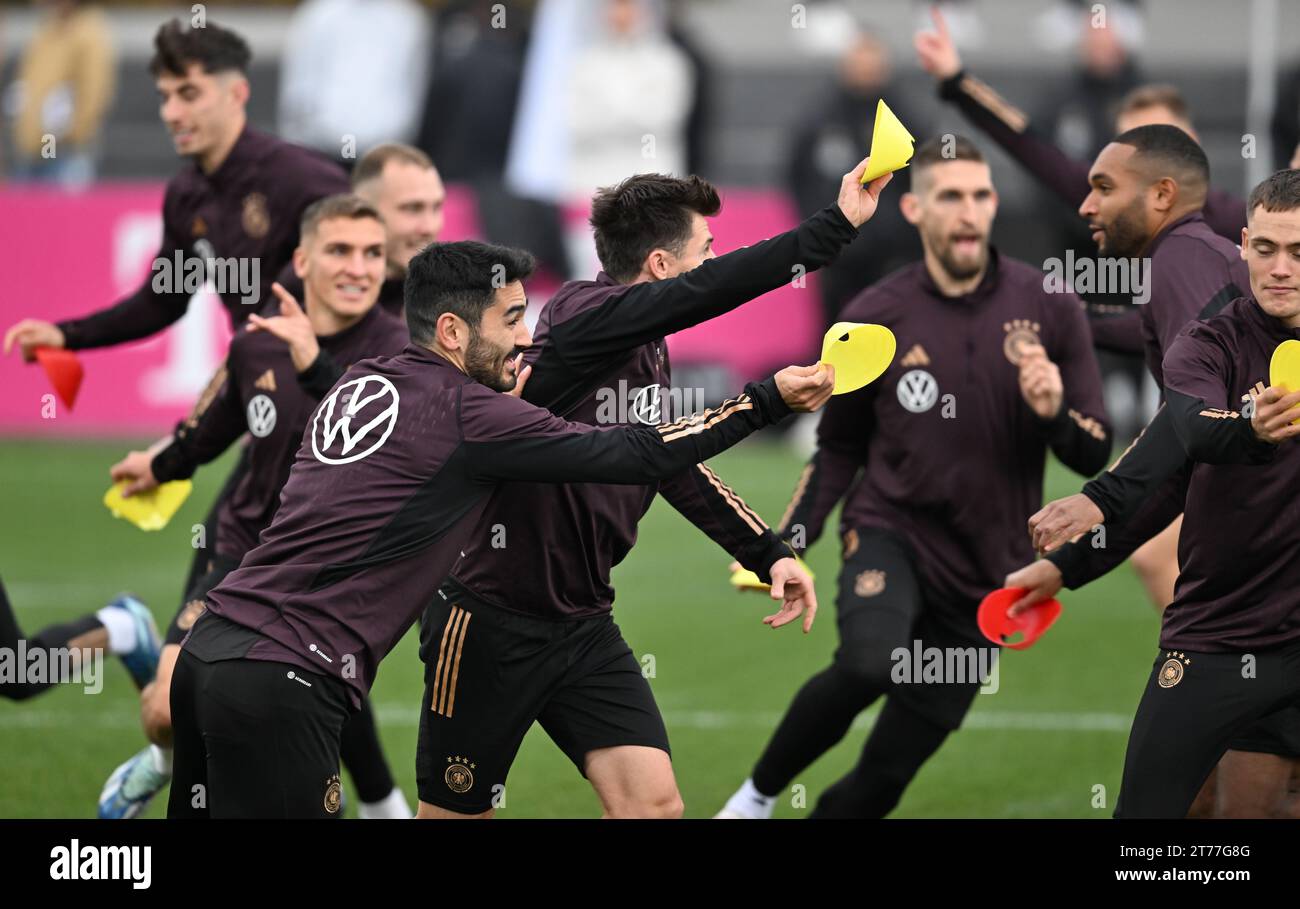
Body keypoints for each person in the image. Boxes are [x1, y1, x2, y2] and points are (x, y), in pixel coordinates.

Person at [166, 239, 835, 818]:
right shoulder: (473, 415)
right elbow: (636, 454)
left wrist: (763, 546)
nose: (526, 337)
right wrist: (765, 399)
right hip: (284, 675)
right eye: (512, 318)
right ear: (454, 331)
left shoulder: (365, 381)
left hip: (210, 652)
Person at [417, 159, 891, 820]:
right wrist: (831, 229)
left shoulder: (646, 347)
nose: (715, 262)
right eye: (707, 251)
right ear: (664, 267)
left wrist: (769, 550)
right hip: (491, 617)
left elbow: (665, 460)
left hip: (582, 621)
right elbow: (716, 292)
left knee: (655, 806)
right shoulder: (585, 315)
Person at [716, 136, 1111, 819]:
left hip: (992, 567)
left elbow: (1091, 453)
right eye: (950, 196)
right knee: (869, 662)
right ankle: (753, 799)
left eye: (981, 195)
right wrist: (789, 541)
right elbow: (838, 448)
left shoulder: (1051, 304)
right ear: (915, 208)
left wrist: (1052, 415)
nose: (969, 211)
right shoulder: (873, 313)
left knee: (887, 773)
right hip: (889, 531)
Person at [1006, 130, 1300, 820]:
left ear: (1165, 193)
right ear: (1243, 243)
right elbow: (1187, 436)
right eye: (1263, 248)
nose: (1279, 267)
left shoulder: (1181, 261)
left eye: (1298, 252)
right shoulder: (1213, 337)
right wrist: (1076, 550)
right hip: (1224, 629)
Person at [95, 197, 410, 819]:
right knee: (165, 712)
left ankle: (353, 799)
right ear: (302, 259)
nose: (358, 267)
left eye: (372, 253)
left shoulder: (401, 353)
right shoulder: (256, 342)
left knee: (286, 719)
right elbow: (204, 433)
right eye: (340, 250)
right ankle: (162, 756)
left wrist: (315, 366)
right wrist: (156, 465)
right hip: (242, 549)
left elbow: (386, 451)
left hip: (330, 572)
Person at [7, 0, 116, 186]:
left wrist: (68, 136)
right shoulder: (47, 28)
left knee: (58, 211)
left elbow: (94, 94)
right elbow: (31, 81)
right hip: (32, 150)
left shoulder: (88, 31)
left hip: (62, 153)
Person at [348, 143, 447, 315]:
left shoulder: (451, 309)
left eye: (437, 207)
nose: (429, 227)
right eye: (413, 208)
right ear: (363, 210)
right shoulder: (308, 290)